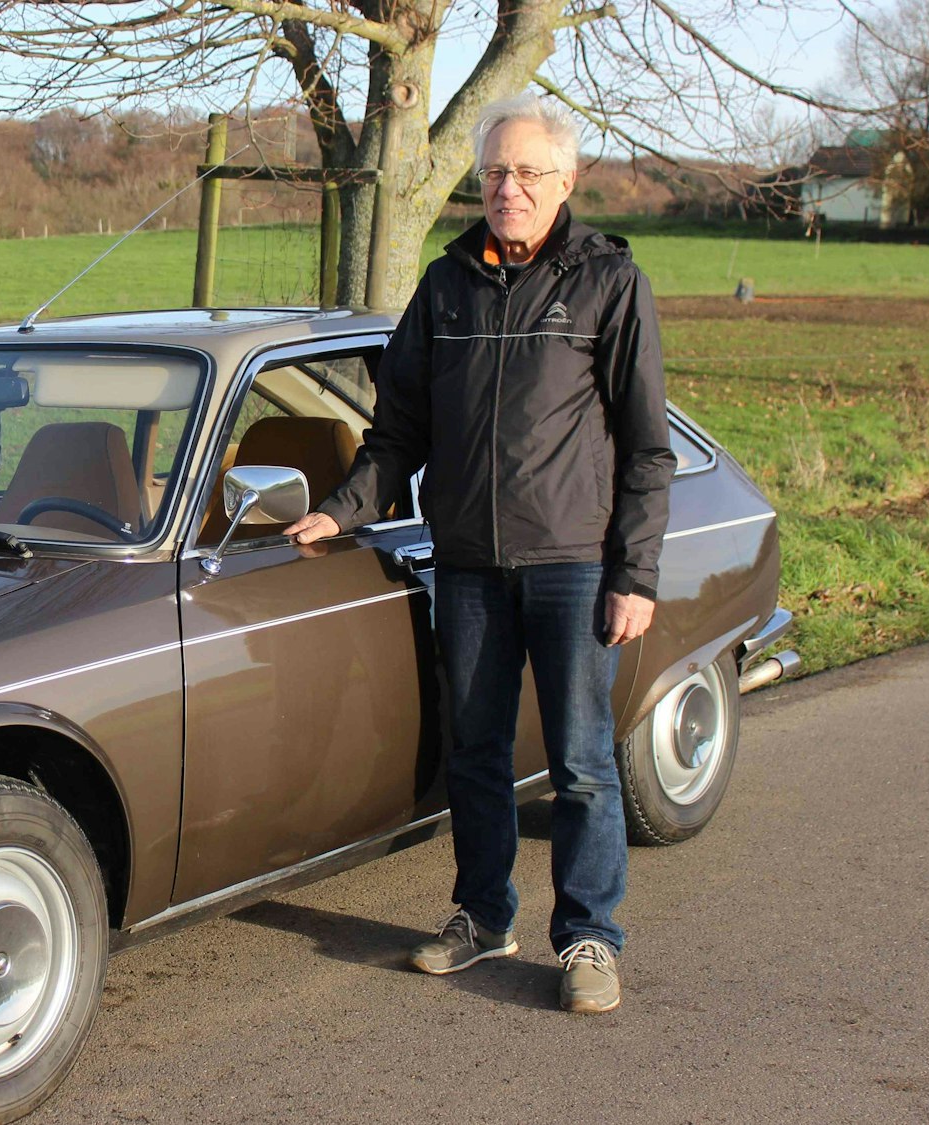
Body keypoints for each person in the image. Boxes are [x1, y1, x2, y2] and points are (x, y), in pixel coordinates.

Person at [283, 92, 673, 1014]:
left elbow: (646, 446)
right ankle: (484, 916)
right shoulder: (445, 285)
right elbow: (398, 431)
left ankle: (588, 937)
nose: (509, 189)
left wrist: (634, 574)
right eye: (496, 171)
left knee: (581, 762)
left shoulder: (608, 281)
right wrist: (339, 511)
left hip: (572, 561)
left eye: (528, 172)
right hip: (465, 563)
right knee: (477, 753)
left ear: (565, 182)